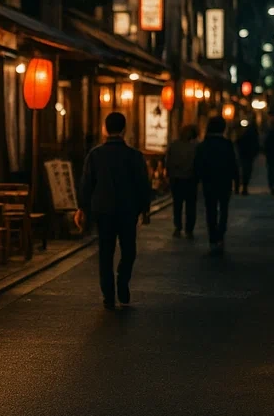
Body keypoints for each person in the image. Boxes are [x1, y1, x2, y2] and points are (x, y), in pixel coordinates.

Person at [75, 111, 152, 309]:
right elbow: (143, 184)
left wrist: (82, 208)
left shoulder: (95, 155)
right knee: (129, 249)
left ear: (105, 128)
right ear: (124, 130)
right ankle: (123, 281)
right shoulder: (134, 156)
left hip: (103, 209)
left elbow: (86, 184)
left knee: (105, 251)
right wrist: (145, 209)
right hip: (128, 209)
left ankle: (108, 294)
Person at [195, 116, 240, 251]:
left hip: (209, 181)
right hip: (224, 181)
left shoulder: (203, 145)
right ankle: (221, 233)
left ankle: (213, 237)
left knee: (211, 209)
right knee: (224, 208)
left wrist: (197, 179)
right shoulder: (227, 144)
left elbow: (198, 164)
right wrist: (237, 181)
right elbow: (233, 164)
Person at [166, 124, 199, 238]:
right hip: (187, 179)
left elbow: (169, 161)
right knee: (186, 205)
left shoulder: (176, 145)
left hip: (180, 178)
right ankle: (185, 228)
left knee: (180, 205)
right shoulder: (195, 146)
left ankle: (181, 227)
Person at [236, 122, 260, 195]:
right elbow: (256, 146)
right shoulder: (254, 136)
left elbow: (239, 142)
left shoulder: (244, 134)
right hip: (249, 156)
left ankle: (239, 187)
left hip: (244, 155)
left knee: (242, 171)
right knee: (247, 171)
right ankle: (244, 187)